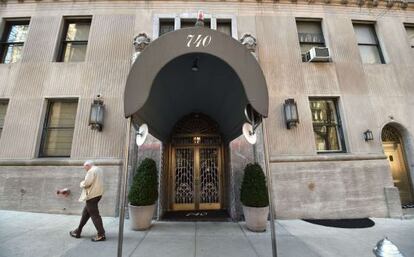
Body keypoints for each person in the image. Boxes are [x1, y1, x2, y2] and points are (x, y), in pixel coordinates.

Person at [70, 160, 106, 242]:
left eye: (85, 167)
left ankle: (101, 234)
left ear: (87, 165)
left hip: (91, 196)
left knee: (95, 216)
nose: (85, 169)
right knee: (85, 214)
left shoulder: (91, 171)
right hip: (97, 194)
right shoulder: (99, 170)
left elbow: (87, 183)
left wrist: (81, 183)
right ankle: (78, 231)